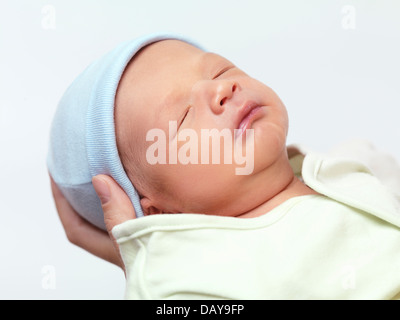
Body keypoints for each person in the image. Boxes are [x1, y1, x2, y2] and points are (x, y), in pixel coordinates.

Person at [48, 33, 400, 299]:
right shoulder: (197, 280)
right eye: (184, 116)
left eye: (220, 69)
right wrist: (151, 265)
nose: (222, 89)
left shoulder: (355, 163)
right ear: (160, 211)